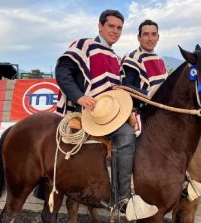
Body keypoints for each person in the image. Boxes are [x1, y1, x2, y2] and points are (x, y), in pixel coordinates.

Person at [55, 9, 157, 220]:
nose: (115, 31)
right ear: (100, 26)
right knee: (126, 135)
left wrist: (144, 97)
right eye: (111, 26)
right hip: (87, 111)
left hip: (108, 112)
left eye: (119, 28)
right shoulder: (84, 45)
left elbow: (121, 88)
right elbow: (62, 72)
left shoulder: (115, 57)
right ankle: (122, 200)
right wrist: (79, 96)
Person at [121, 19, 167, 109]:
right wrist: (148, 94)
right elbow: (125, 86)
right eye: (146, 34)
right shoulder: (133, 58)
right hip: (142, 111)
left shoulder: (159, 60)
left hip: (162, 108)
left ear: (158, 37)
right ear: (139, 37)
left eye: (153, 34)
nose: (150, 39)